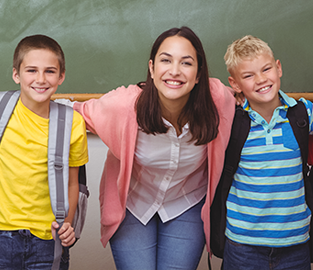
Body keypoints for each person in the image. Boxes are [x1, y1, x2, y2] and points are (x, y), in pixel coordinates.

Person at [74, 26, 235, 270]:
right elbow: (73, 114)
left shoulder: (218, 101)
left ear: (199, 73)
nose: (175, 71)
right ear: (151, 68)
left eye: (186, 63)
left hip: (186, 201)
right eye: (166, 60)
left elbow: (250, 92)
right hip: (133, 204)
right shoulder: (125, 105)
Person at [213, 35, 313, 269]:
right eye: (248, 76)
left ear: (278, 68)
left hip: (296, 244)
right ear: (235, 83)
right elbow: (202, 93)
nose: (260, 80)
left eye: (266, 69)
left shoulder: (302, 114)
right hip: (242, 246)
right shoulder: (231, 121)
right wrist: (227, 94)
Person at [0, 35, 88, 270]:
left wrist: (68, 223)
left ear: (61, 76)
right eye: (31, 70)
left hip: (48, 239)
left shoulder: (73, 123)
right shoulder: (1, 110)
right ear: (16, 74)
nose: (40, 79)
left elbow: (72, 183)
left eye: (50, 71)